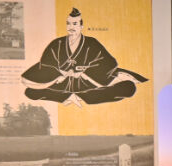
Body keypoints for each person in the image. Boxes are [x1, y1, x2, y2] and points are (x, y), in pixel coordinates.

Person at [20, 7, 148, 106]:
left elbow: (108, 63)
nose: (71, 27)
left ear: (81, 26)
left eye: (75, 24)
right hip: (62, 83)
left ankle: (80, 96)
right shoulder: (56, 43)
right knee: (30, 92)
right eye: (68, 24)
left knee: (128, 88)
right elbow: (46, 65)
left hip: (86, 82)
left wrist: (84, 72)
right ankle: (70, 96)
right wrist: (60, 73)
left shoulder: (92, 43)